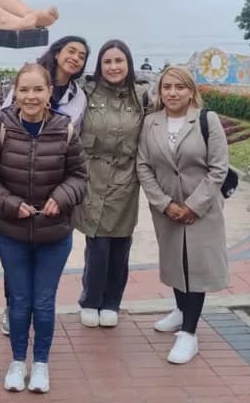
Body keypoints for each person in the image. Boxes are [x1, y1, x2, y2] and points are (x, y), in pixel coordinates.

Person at [0, 63, 87, 394]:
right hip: (13, 233)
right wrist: (11, 204)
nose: (31, 96)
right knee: (20, 300)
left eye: (38, 89)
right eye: (24, 89)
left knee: (43, 300)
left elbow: (79, 176)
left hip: (55, 233)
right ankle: (16, 362)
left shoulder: (65, 129)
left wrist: (61, 197)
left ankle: (40, 363)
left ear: (49, 92)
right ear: (15, 92)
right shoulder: (1, 128)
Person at [136, 65, 230, 364]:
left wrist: (193, 206)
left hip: (201, 209)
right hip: (167, 209)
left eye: (179, 87)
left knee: (196, 266)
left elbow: (218, 169)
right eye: (167, 87)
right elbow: (143, 166)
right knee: (176, 260)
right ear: (159, 91)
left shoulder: (207, 120)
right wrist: (164, 203)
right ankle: (180, 311)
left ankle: (189, 333)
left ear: (191, 91)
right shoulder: (151, 122)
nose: (173, 93)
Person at [0, 35, 90, 334]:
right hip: (18, 185)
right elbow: (7, 122)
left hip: (54, 190)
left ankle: (39, 329)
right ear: (58, 51)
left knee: (44, 279)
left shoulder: (78, 97)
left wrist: (64, 193)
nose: (75, 58)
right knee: (16, 263)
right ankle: (12, 309)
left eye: (82, 55)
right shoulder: (30, 78)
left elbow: (76, 149)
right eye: (71, 51)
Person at [73, 40, 148, 328]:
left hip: (126, 177)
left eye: (119, 61)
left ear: (128, 64)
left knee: (120, 243)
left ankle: (112, 301)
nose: (113, 67)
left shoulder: (141, 96)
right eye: (107, 61)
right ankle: (91, 299)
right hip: (93, 175)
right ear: (99, 65)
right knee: (97, 242)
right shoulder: (86, 92)